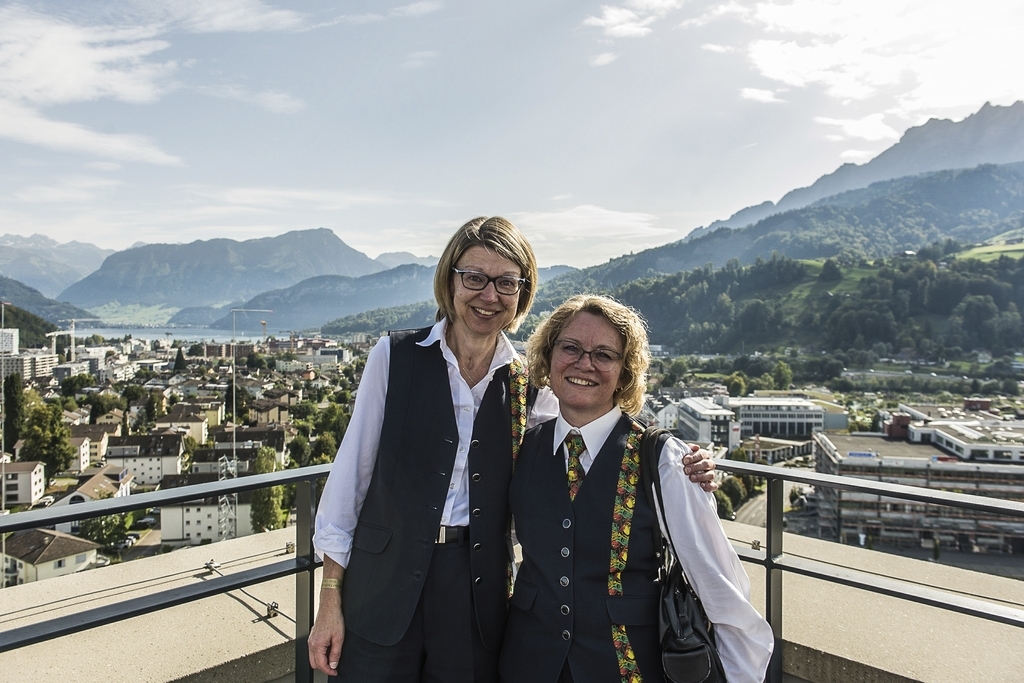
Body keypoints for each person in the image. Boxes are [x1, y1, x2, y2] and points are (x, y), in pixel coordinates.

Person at [309, 217, 717, 683]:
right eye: (475, 278)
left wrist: (678, 460)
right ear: (450, 279)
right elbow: (349, 482)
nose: (489, 295)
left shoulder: (531, 386)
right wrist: (329, 598)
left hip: (475, 592)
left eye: (506, 282)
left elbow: (586, 434)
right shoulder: (393, 356)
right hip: (381, 585)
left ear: (522, 293)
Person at [500, 294, 774, 683]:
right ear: (548, 355)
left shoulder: (662, 460)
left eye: (604, 354)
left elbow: (720, 589)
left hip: (626, 666)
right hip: (527, 663)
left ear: (625, 372)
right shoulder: (523, 445)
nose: (584, 363)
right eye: (571, 348)